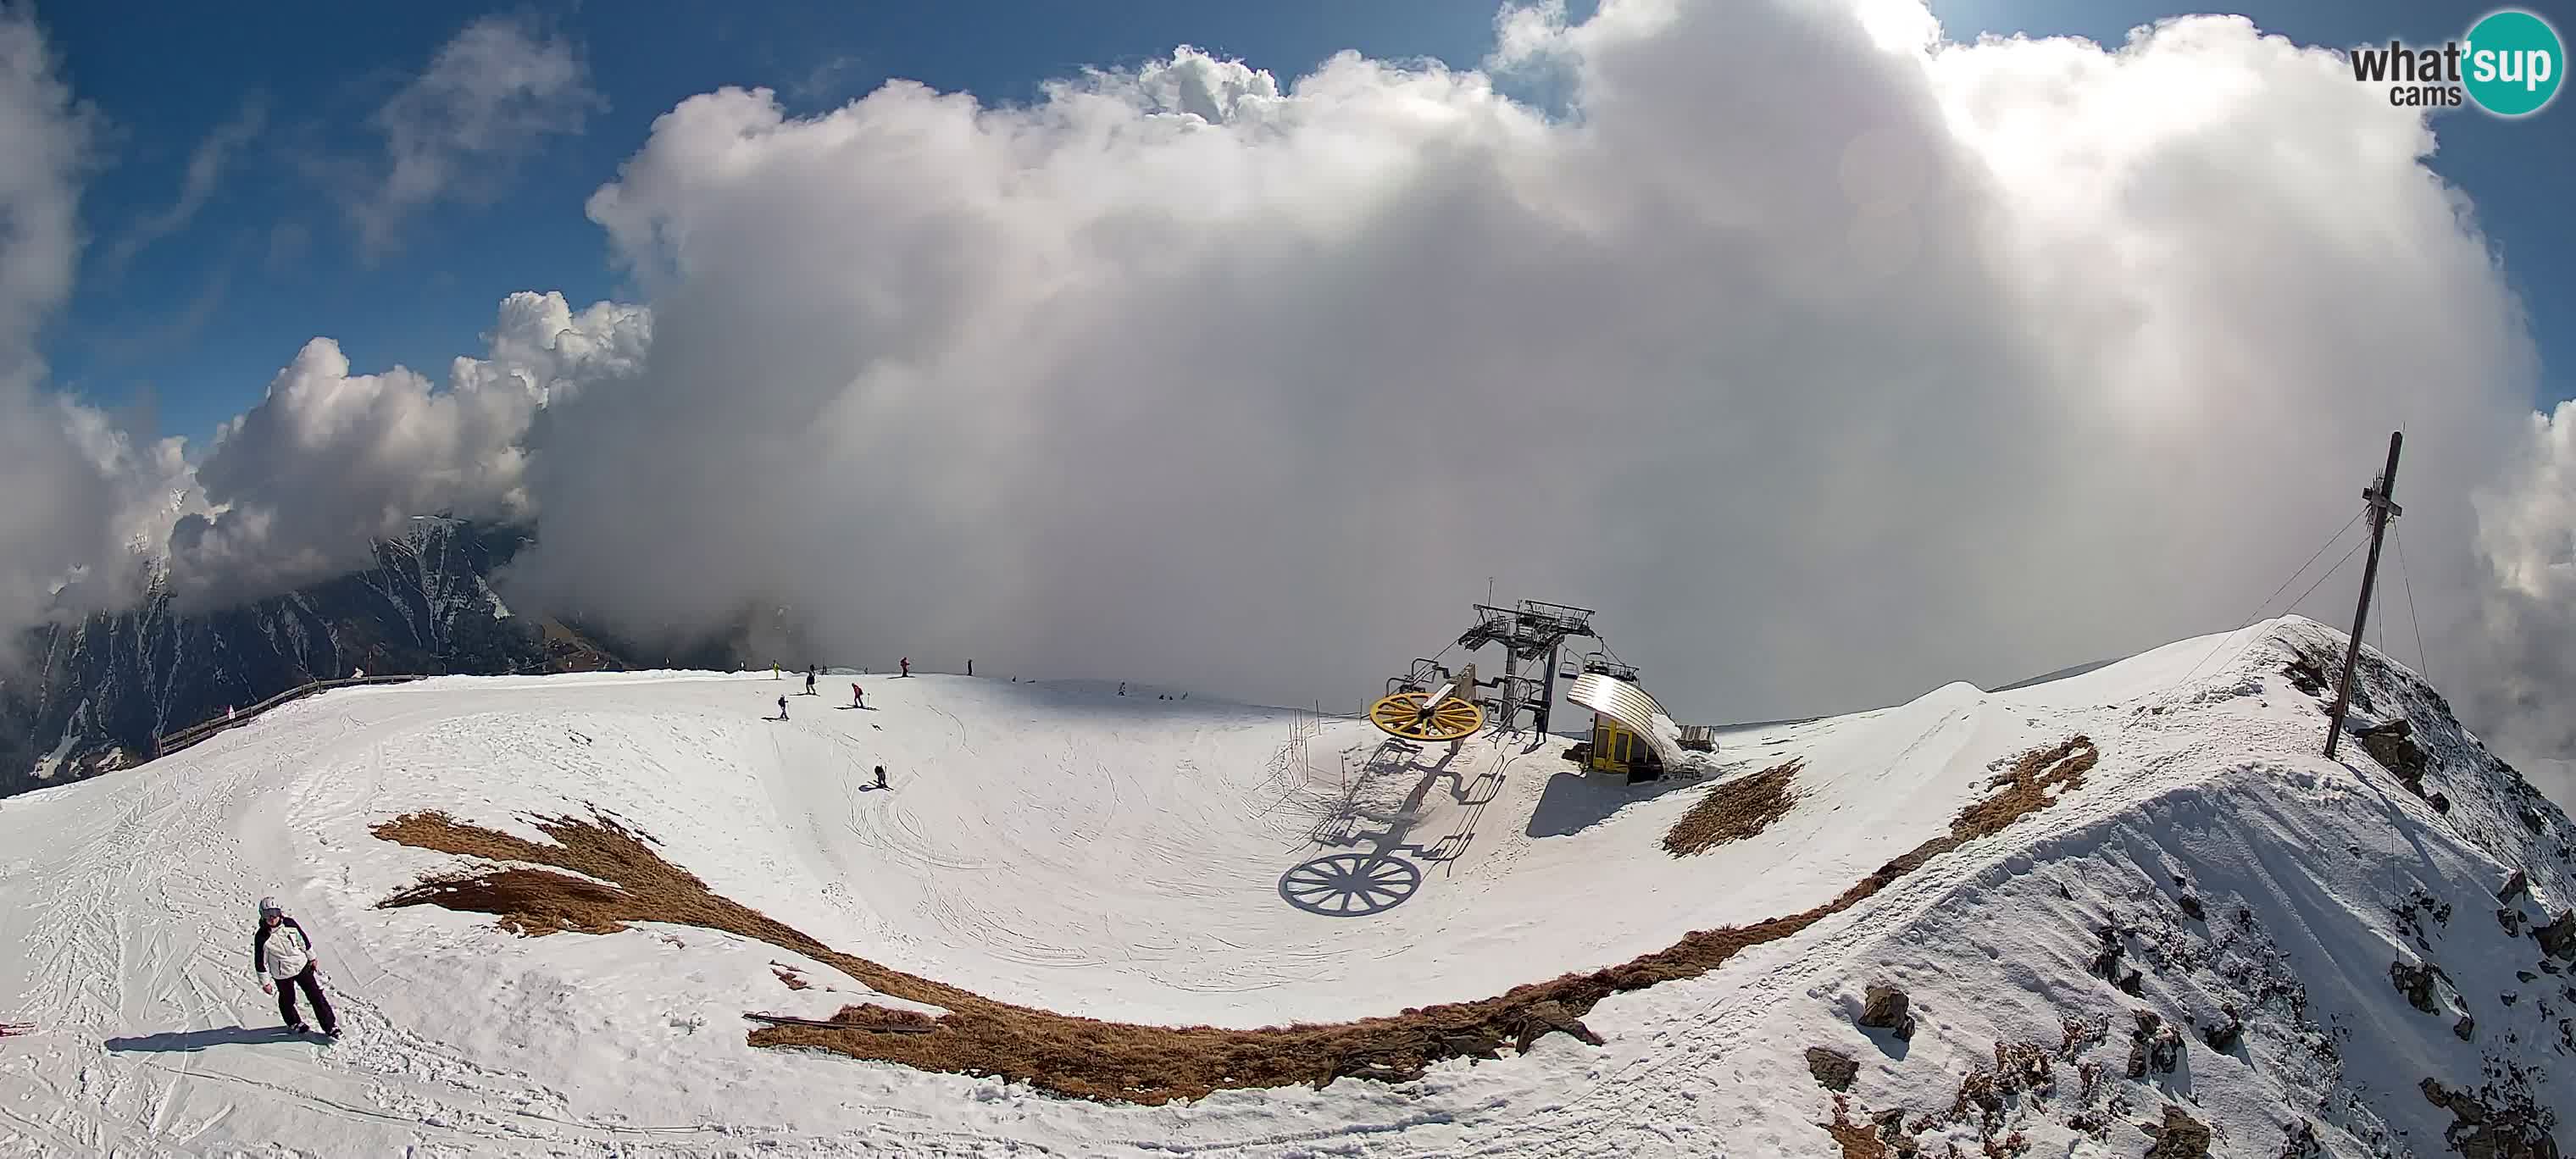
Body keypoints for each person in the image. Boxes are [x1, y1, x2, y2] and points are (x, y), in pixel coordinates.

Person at [253, 898, 337, 1036]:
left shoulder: (289, 924)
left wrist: (312, 957)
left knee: (316, 995)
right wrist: (265, 982)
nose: (272, 918)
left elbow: (303, 940)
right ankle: (293, 1022)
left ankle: (330, 1026)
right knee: (288, 999)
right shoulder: (262, 937)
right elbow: (260, 961)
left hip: (301, 965)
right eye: (267, 915)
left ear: (280, 913)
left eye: (274, 913)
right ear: (262, 916)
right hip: (282, 973)